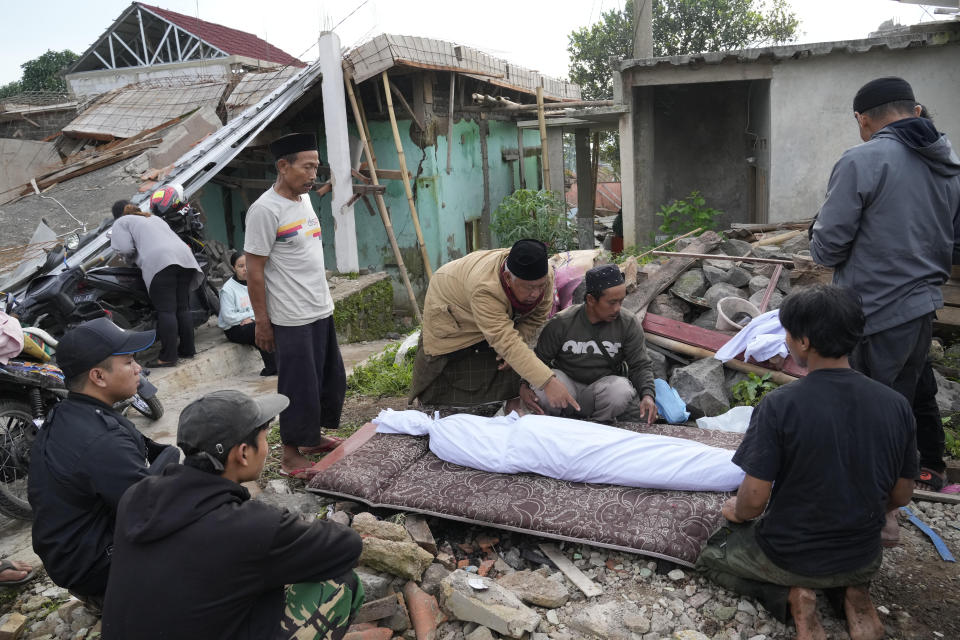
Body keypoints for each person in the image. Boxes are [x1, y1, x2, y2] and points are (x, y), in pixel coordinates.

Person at [695, 285, 916, 640]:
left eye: (787, 333)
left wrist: (734, 513)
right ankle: (854, 591)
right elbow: (902, 495)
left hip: (790, 555)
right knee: (845, 563)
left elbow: (753, 503)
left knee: (711, 557)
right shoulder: (896, 405)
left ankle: (792, 596)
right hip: (861, 555)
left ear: (804, 342)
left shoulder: (780, 405)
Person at [101, 390, 364, 640]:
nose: (267, 445)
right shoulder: (250, 525)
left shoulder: (136, 496)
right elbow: (348, 547)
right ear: (243, 453)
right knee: (341, 583)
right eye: (265, 434)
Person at [809, 76, 960, 492]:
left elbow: (827, 248)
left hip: (873, 312)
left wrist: (815, 235)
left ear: (863, 120)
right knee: (902, 404)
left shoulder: (863, 160)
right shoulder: (948, 164)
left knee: (864, 410)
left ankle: (867, 503)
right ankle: (899, 488)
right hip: (921, 309)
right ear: (914, 110)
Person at [28, 318, 178, 606]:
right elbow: (151, 511)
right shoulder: (101, 440)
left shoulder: (72, 411)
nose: (139, 368)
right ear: (98, 376)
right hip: (91, 566)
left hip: (70, 554)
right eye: (129, 361)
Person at [244, 133, 344, 478]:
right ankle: (290, 456)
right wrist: (262, 321)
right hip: (291, 316)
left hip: (318, 307)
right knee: (298, 386)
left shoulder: (302, 201)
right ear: (283, 167)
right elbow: (254, 270)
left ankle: (311, 438)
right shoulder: (264, 210)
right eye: (307, 167)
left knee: (327, 381)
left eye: (316, 166)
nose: (313, 173)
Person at [409, 239, 578, 412]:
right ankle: (438, 407)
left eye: (540, 286)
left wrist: (517, 341)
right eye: (528, 288)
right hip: (450, 304)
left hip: (482, 302)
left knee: (511, 356)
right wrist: (548, 382)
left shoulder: (545, 276)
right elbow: (505, 340)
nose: (535, 293)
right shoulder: (485, 288)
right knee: (454, 366)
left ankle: (507, 401)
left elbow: (536, 317)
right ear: (507, 278)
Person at [520, 264, 657, 424]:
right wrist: (524, 386)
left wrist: (648, 395)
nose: (617, 308)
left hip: (599, 391)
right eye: (612, 303)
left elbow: (640, 365)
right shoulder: (562, 323)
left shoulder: (628, 323)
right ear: (591, 300)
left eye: (621, 301)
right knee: (544, 385)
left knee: (621, 390)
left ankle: (598, 425)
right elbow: (539, 360)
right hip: (565, 389)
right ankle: (555, 424)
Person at [110, 188, 203, 368]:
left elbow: (124, 249)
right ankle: (188, 349)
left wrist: (130, 260)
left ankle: (168, 357)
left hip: (161, 263)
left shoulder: (122, 222)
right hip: (185, 259)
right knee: (182, 308)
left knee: (166, 311)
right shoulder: (151, 217)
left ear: (117, 215)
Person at [218, 251, 277, 376]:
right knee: (259, 329)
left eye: (247, 265)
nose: (245, 269)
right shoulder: (228, 289)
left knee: (274, 324)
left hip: (252, 321)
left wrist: (252, 318)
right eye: (240, 266)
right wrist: (254, 318)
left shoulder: (257, 282)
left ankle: (282, 363)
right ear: (234, 268)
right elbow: (228, 317)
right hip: (234, 328)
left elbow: (267, 306)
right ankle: (273, 367)